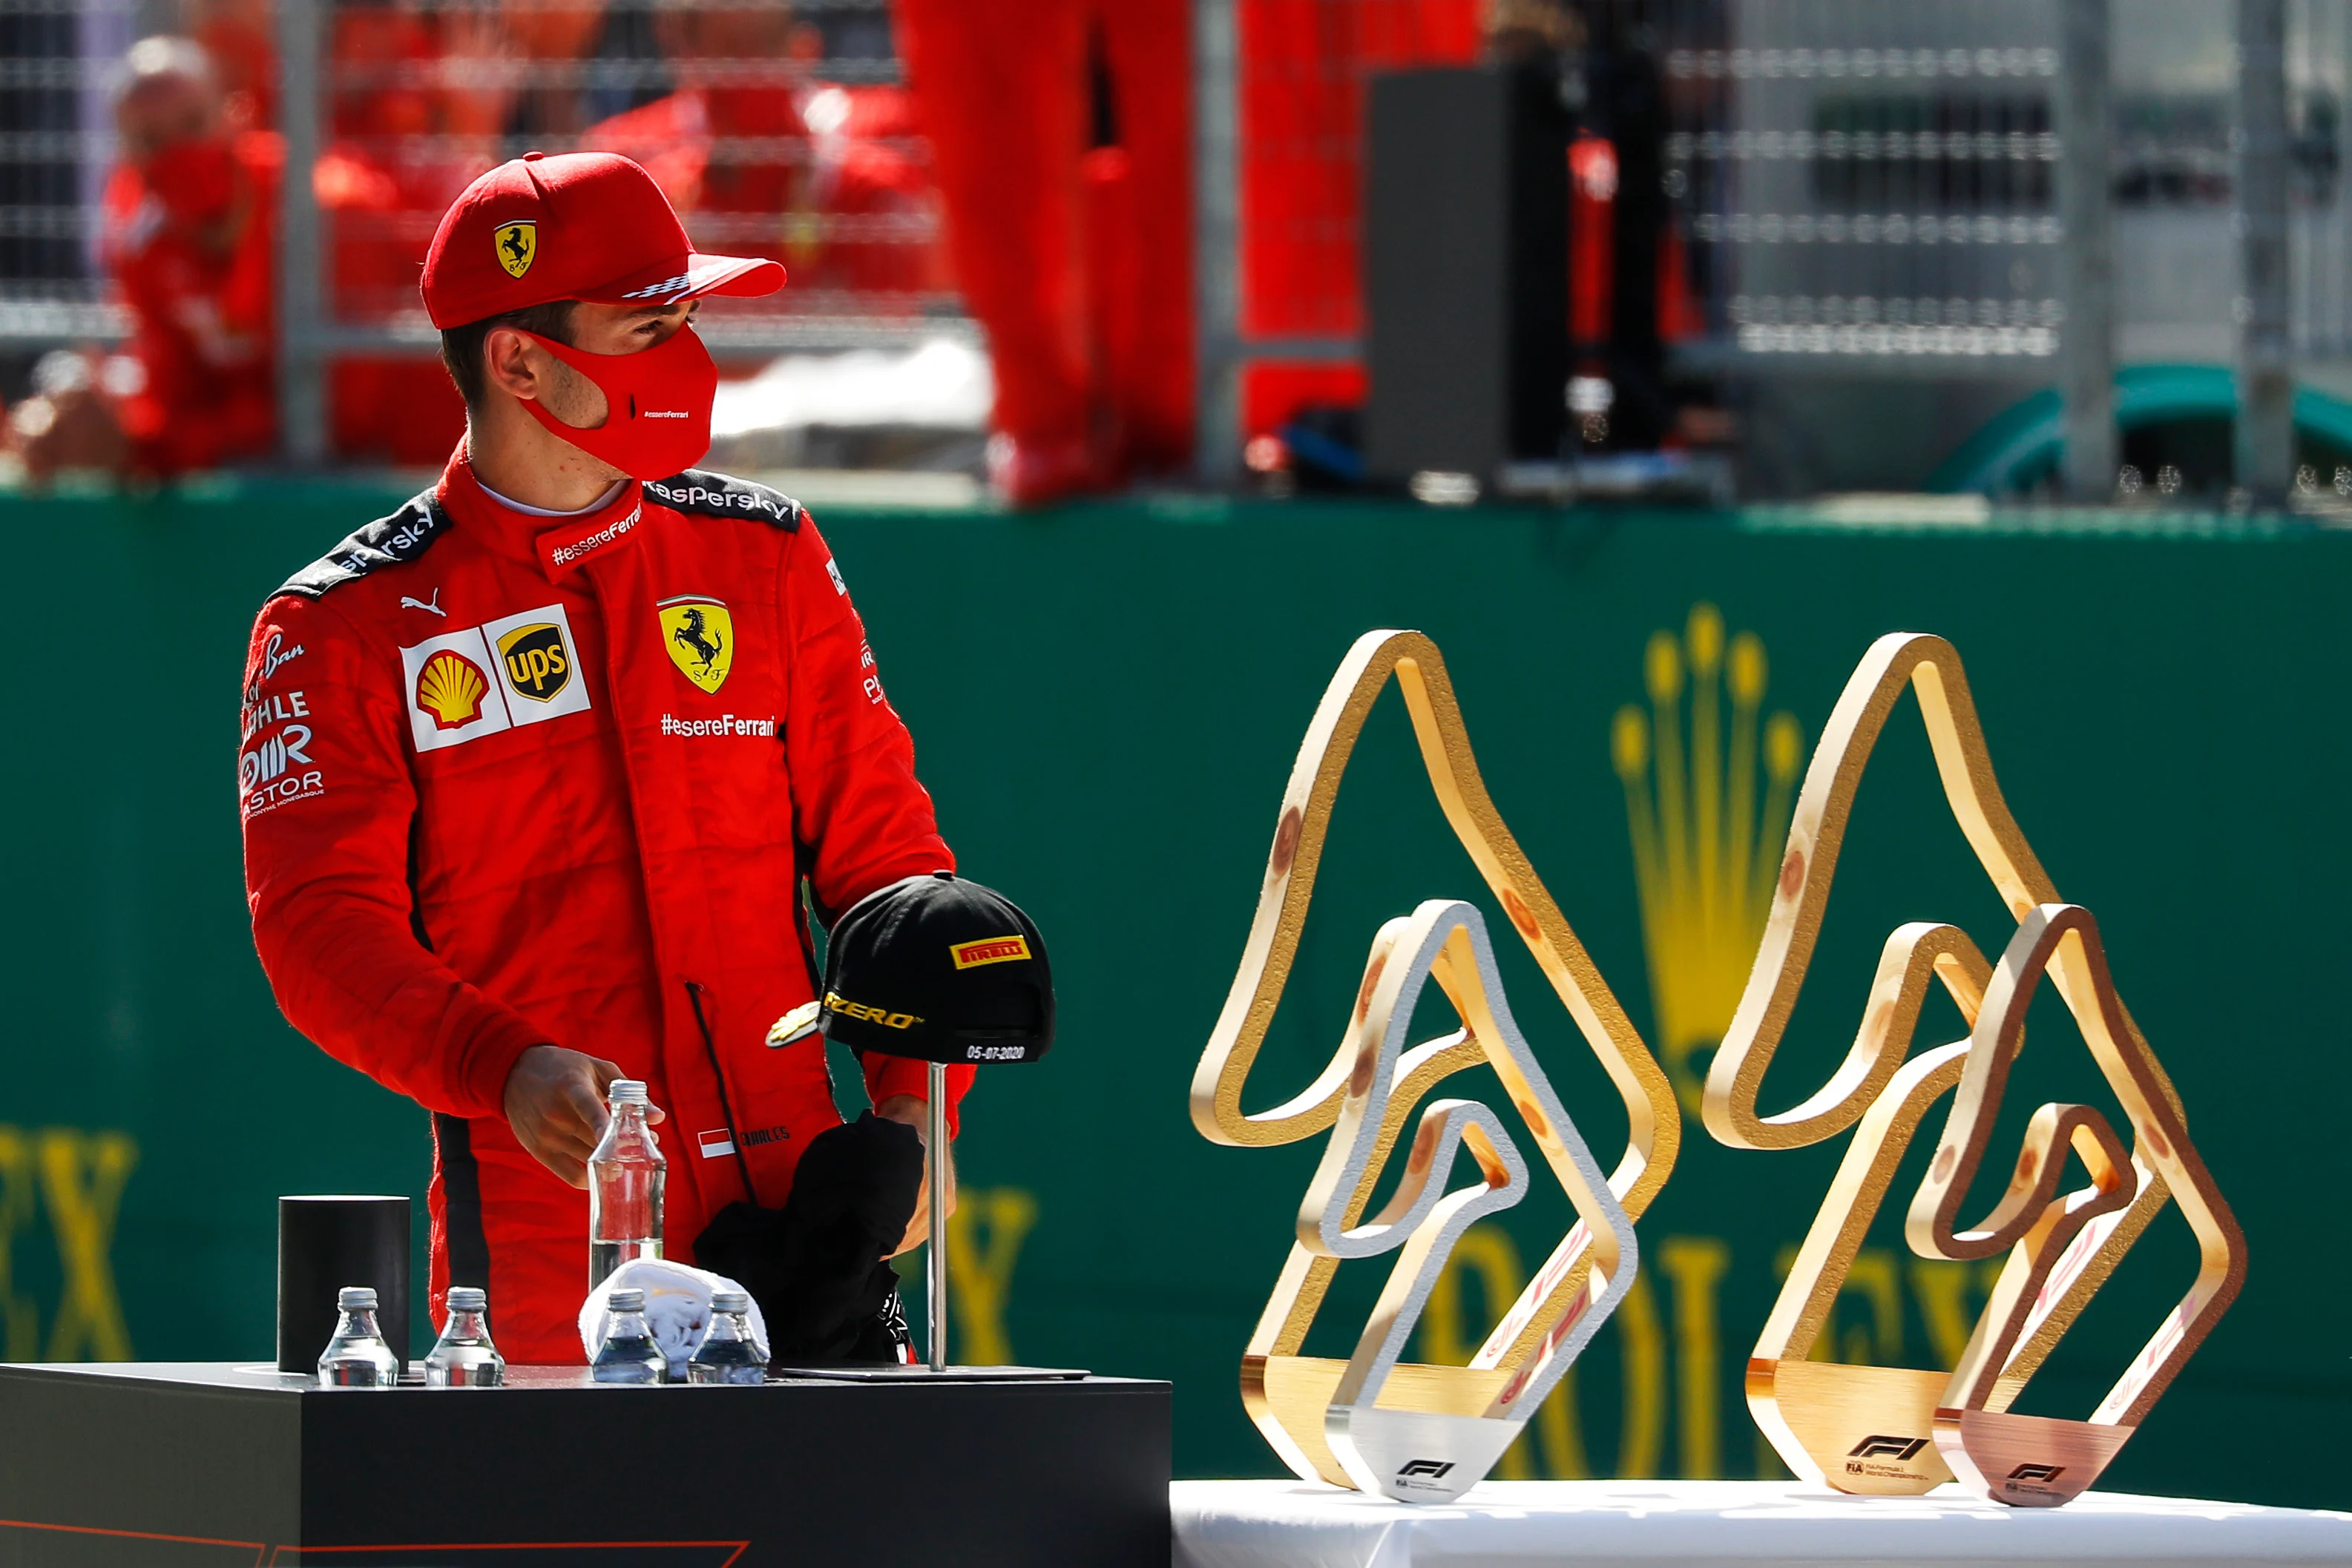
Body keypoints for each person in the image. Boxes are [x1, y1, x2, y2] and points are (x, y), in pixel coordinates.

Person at [238, 151, 969, 1363]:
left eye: (687, 317)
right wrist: (502, 1064)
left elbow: (889, 868)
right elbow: (318, 932)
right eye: (647, 326)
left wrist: (915, 1112)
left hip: (815, 1228)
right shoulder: (342, 622)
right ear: (519, 360)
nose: (687, 356)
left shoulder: (765, 555)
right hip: (548, 1249)